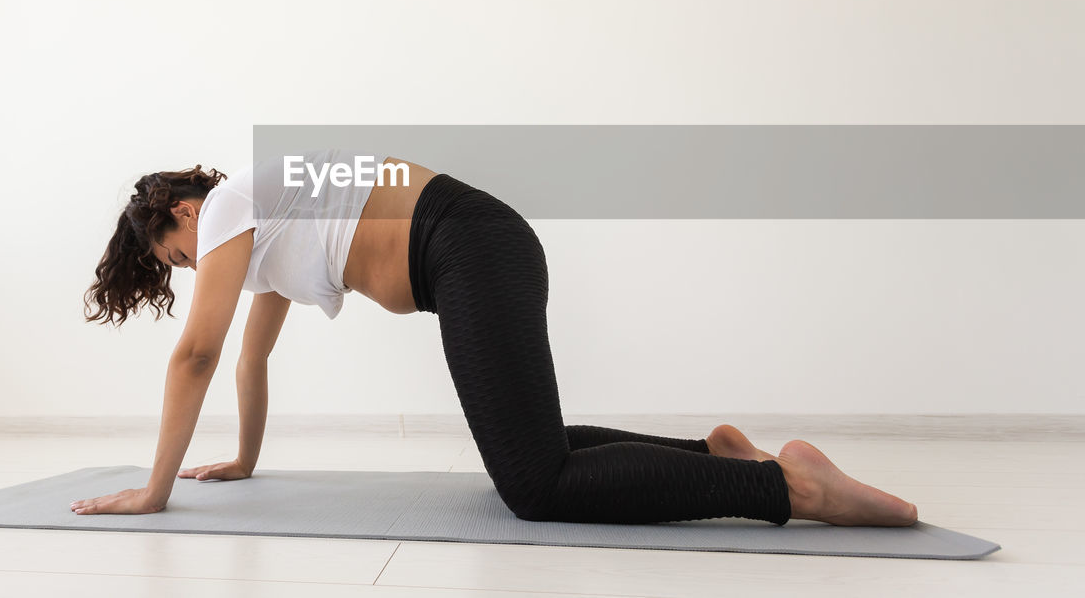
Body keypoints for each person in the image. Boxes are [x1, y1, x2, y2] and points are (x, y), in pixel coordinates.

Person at [72, 148, 919, 527]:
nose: (189, 271)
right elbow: (251, 354)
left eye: (175, 259)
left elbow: (198, 352)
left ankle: (789, 488)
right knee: (532, 454)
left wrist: (154, 490)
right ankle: (715, 451)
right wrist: (246, 460)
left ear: (183, 213)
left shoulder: (229, 207)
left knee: (534, 486)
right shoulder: (269, 218)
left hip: (463, 242)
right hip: (470, 247)